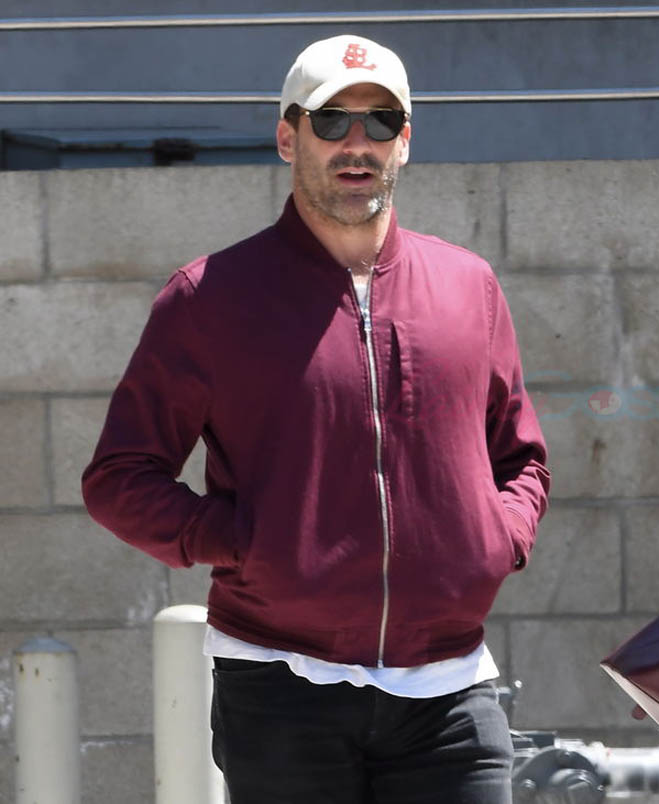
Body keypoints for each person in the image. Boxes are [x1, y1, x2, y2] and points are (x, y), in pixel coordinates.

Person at [82, 34, 549, 803]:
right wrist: (240, 541)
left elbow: (521, 457)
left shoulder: (469, 286)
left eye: (380, 121)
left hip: (449, 689)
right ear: (286, 137)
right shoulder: (211, 298)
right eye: (331, 121)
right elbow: (119, 478)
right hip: (281, 686)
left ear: (406, 140)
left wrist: (497, 539)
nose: (356, 143)